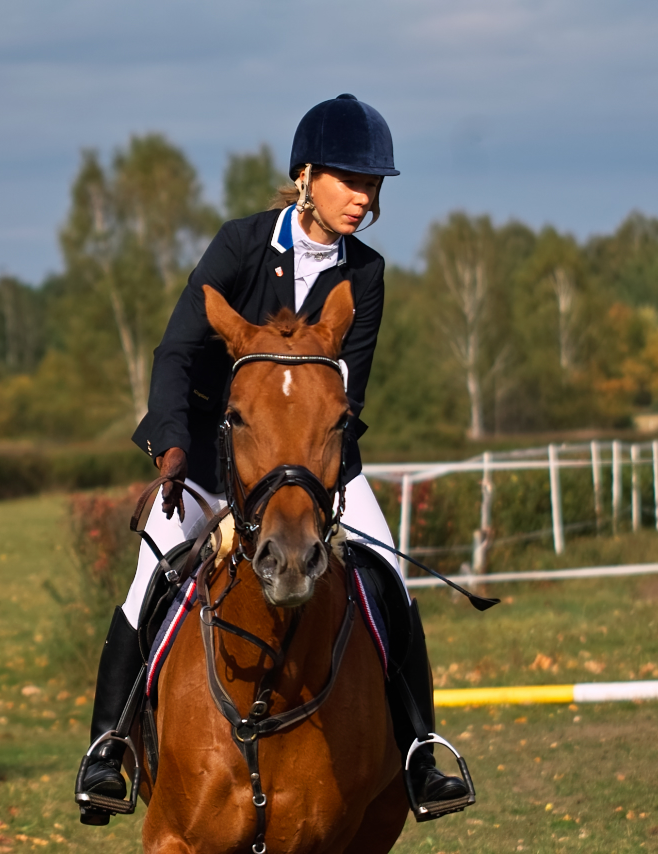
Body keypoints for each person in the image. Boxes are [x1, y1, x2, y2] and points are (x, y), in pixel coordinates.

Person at [75, 94, 470, 825]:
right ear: (306, 175)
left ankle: (419, 752)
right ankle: (107, 748)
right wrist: (170, 445)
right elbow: (178, 350)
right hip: (209, 450)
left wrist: (318, 478)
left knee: (391, 577)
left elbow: (348, 388)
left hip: (316, 464)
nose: (364, 197)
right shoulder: (243, 244)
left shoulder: (368, 274)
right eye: (350, 179)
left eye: (374, 185)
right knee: (150, 572)